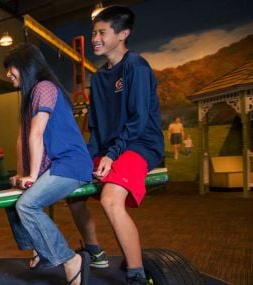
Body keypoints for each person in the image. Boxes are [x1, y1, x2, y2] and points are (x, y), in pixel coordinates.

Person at [75, 5, 165, 285]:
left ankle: (137, 273)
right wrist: (85, 159)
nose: (95, 39)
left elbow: (138, 120)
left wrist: (113, 155)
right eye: (93, 33)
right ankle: (94, 251)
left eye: (102, 32)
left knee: (110, 200)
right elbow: (96, 128)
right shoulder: (99, 77)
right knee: (72, 191)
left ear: (123, 33)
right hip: (110, 148)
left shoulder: (136, 66)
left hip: (140, 144)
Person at [3, 44, 93, 285]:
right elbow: (22, 139)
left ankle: (69, 259)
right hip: (55, 166)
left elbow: (37, 134)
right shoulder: (29, 96)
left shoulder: (44, 87)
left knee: (27, 205)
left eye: (10, 68)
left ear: (25, 65)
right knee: (13, 201)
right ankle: (41, 251)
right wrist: (22, 174)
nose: (7, 74)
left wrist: (31, 175)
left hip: (71, 164)